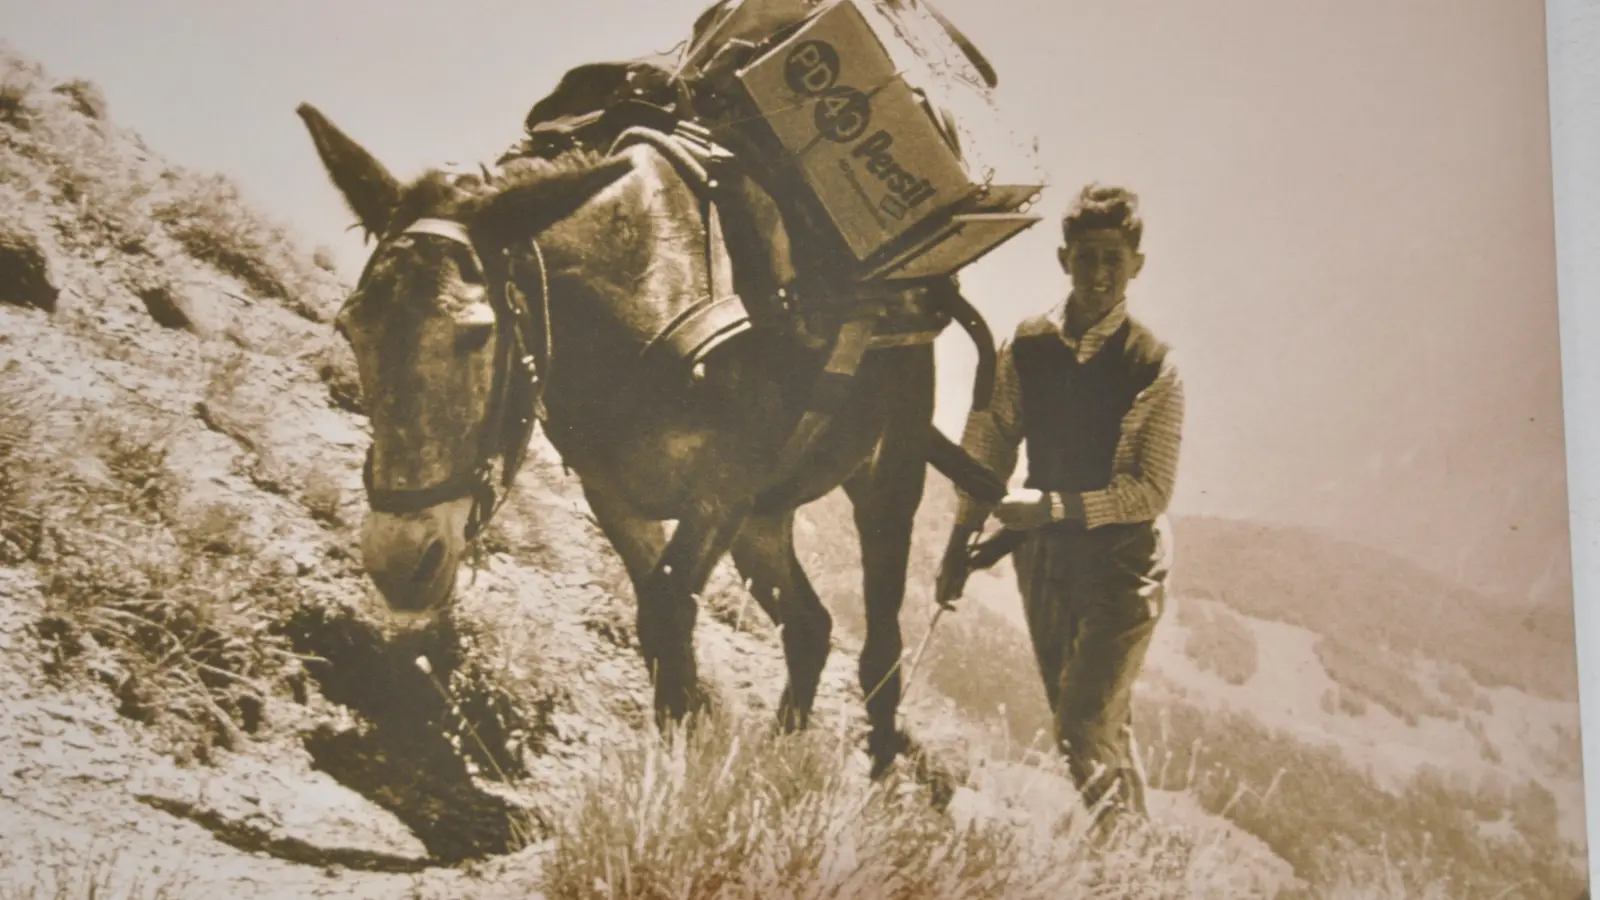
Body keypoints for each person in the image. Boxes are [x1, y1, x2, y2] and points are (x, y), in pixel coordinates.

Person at [935, 183, 1186, 840]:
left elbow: (1149, 492)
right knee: (1097, 724)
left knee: (1082, 727)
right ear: (1062, 260)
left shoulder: (1154, 368)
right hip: (1046, 563)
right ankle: (1140, 863)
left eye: (1112, 258)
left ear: (1137, 263)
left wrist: (1049, 507)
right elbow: (988, 442)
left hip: (1123, 565)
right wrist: (961, 537)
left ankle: (1129, 866)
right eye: (1085, 258)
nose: (1099, 275)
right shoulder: (1028, 348)